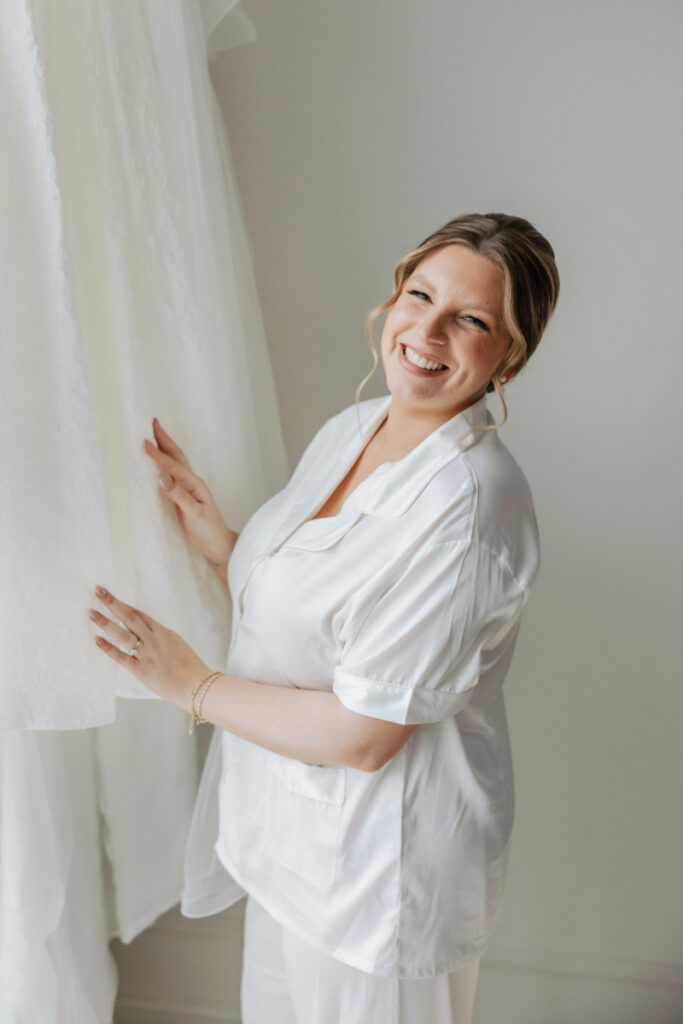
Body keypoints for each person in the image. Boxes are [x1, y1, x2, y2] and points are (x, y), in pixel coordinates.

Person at [87, 212, 560, 1023]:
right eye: (420, 296)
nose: (428, 330)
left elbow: (366, 734)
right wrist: (221, 543)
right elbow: (322, 610)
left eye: (471, 320)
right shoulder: (358, 427)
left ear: (507, 356)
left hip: (382, 880)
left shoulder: (470, 508)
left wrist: (191, 685)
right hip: (292, 851)